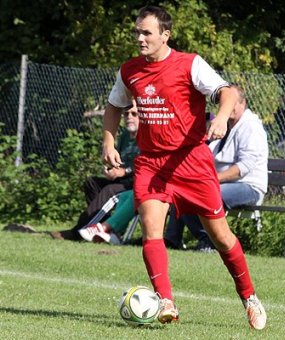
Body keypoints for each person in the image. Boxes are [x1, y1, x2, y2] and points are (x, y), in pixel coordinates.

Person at [101, 5, 266, 330]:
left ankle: (248, 296)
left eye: (146, 32)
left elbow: (228, 92)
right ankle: (166, 300)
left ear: (165, 34)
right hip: (152, 163)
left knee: (220, 237)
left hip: (191, 162)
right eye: (137, 32)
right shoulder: (129, 70)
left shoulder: (189, 64)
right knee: (151, 228)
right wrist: (108, 141)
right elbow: (113, 106)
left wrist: (220, 117)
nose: (140, 38)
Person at [164, 84, 269, 252]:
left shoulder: (250, 126)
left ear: (243, 104)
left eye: (233, 103)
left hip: (249, 186)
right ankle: (172, 239)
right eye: (225, 103)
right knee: (182, 192)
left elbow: (245, 166)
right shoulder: (226, 125)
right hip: (221, 182)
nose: (228, 107)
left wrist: (212, 180)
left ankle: (209, 240)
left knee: (205, 194)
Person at [49, 100, 139, 241]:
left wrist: (124, 171)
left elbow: (147, 163)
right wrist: (111, 168)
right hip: (121, 179)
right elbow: (119, 159)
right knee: (92, 183)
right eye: (126, 114)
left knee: (109, 191)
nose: (129, 117)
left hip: (136, 183)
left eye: (134, 114)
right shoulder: (125, 137)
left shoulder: (146, 137)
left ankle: (79, 232)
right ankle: (102, 227)